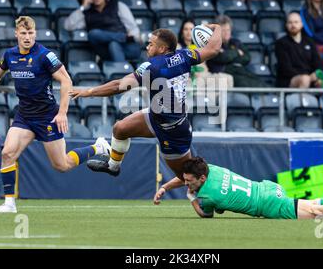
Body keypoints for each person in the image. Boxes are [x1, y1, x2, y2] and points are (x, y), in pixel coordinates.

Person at [0, 16, 108, 213]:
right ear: (16, 34)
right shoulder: (10, 55)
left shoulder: (44, 55)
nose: (27, 37)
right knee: (7, 153)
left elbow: (66, 81)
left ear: (35, 34)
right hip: (24, 116)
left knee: (62, 165)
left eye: (31, 33)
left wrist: (62, 113)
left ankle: (97, 147)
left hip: (47, 117)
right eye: (23, 33)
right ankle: (9, 203)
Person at [69, 25, 222, 180]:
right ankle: (113, 166)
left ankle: (214, 194)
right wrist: (217, 28)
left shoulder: (151, 66)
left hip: (173, 131)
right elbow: (213, 49)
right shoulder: (185, 56)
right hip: (156, 116)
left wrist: (88, 92)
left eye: (151, 44)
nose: (147, 47)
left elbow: (118, 86)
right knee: (120, 128)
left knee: (187, 178)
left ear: (162, 48)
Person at [153, 156, 323, 220]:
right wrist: (166, 186)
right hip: (268, 188)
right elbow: (187, 177)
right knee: (310, 206)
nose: (185, 183)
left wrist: (190, 197)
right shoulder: (210, 168)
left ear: (201, 179)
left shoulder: (207, 195)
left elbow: (205, 214)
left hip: (267, 205)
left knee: (317, 215)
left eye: (189, 181)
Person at [64, 0, 141, 62]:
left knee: (113, 44)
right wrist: (82, 7)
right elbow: (68, 26)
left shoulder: (118, 6)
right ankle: (121, 38)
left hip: (127, 47)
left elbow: (133, 28)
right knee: (93, 34)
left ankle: (119, 70)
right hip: (105, 50)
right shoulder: (86, 13)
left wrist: (133, 37)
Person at [206, 15, 267, 87]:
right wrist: (237, 52)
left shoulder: (235, 42)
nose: (226, 33)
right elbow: (224, 57)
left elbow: (247, 58)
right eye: (223, 30)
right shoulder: (212, 44)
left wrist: (228, 55)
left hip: (240, 71)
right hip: (224, 74)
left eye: (228, 30)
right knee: (250, 84)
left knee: (261, 83)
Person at [177, 18, 234, 89]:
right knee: (199, 83)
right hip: (189, 77)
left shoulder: (200, 45)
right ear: (182, 32)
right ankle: (207, 99)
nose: (189, 32)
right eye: (186, 29)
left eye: (191, 29)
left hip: (204, 75)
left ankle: (222, 99)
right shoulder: (178, 47)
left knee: (228, 78)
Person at [275, 12, 323, 88]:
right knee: (305, 79)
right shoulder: (281, 43)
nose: (293, 25)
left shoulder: (309, 42)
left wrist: (316, 75)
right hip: (289, 80)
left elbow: (317, 63)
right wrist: (308, 77)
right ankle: (302, 100)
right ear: (286, 25)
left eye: (296, 22)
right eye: (290, 23)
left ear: (301, 24)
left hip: (309, 77)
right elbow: (286, 68)